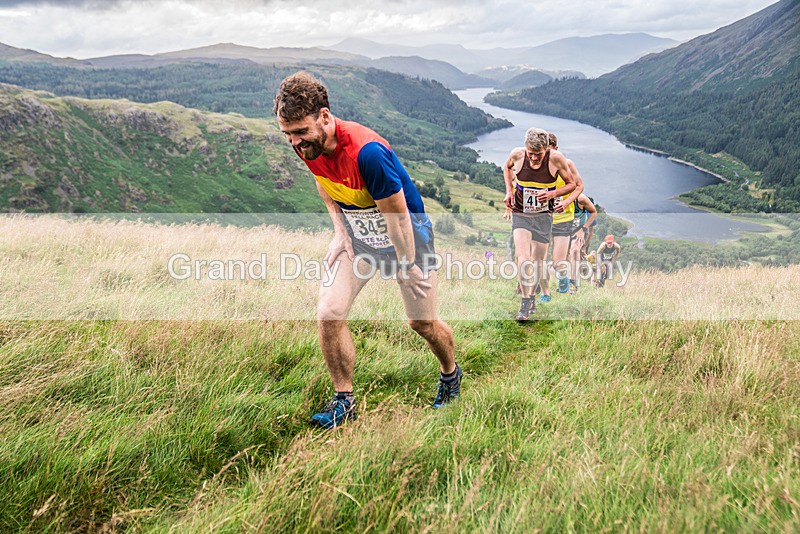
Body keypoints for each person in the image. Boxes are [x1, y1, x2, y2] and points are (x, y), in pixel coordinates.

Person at [274, 71, 460, 429]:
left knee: (421, 322)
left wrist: (406, 266)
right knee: (329, 312)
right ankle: (344, 401)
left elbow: (399, 219)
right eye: (288, 134)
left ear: (325, 117)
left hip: (407, 239)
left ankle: (450, 374)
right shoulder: (307, 147)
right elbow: (324, 184)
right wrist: (341, 231)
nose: (295, 143)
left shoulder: (368, 153)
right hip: (360, 238)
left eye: (300, 132)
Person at [503, 128, 576, 321]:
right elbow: (507, 167)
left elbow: (572, 184)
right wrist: (509, 192)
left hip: (543, 216)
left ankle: (533, 295)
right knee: (523, 258)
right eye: (531, 154)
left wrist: (553, 194)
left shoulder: (556, 159)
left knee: (537, 263)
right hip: (521, 213)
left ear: (546, 150)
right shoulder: (517, 155)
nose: (534, 159)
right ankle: (525, 302)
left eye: (539, 154)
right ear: (525, 148)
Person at [547, 132, 586, 295]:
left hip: (563, 219)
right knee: (536, 259)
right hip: (542, 219)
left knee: (557, 263)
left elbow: (579, 186)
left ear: (556, 148)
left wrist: (566, 202)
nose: (546, 156)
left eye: (550, 151)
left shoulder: (567, 164)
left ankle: (565, 280)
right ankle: (541, 292)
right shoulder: (537, 165)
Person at [567, 194, 598, 292]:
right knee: (568, 256)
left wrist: (584, 246)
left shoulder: (587, 212)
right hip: (566, 231)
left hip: (582, 234)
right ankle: (568, 280)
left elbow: (591, 231)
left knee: (576, 252)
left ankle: (574, 282)